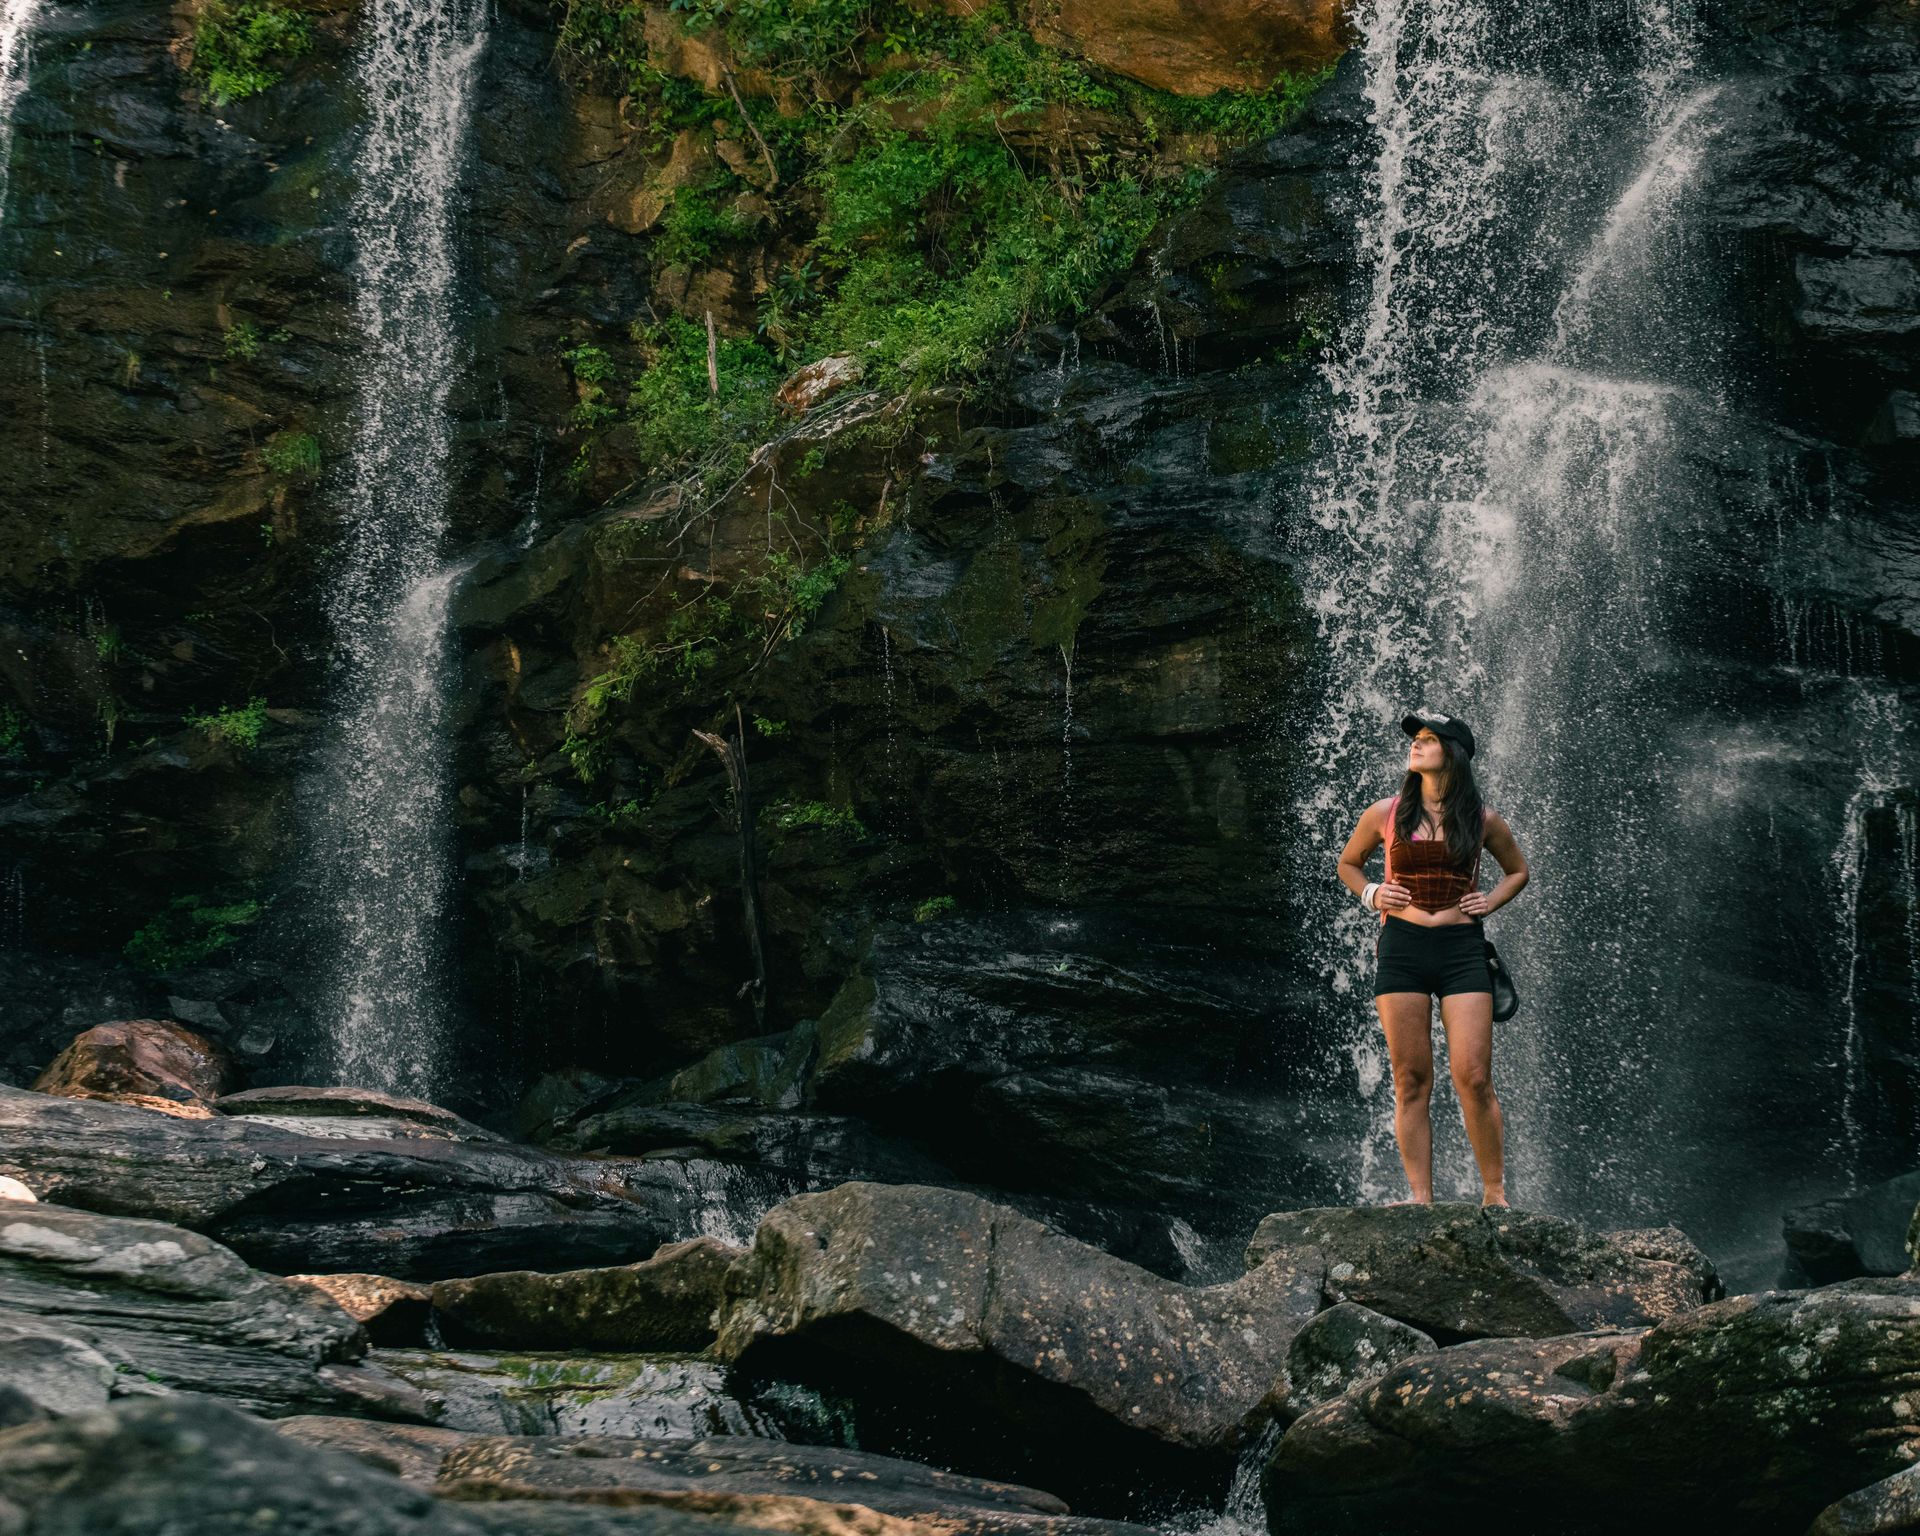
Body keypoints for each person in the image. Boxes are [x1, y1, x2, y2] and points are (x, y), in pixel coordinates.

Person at [1335, 710, 1530, 1207]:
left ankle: (1494, 1195)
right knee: (1411, 1078)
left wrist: (1490, 900)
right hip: (1402, 948)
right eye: (1415, 739)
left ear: (1454, 753)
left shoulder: (1483, 819)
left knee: (1474, 1076)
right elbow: (1349, 864)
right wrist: (1373, 894)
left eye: (1428, 739)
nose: (1416, 745)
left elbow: (1517, 871)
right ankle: (1420, 1198)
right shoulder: (1386, 812)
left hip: (1462, 951)